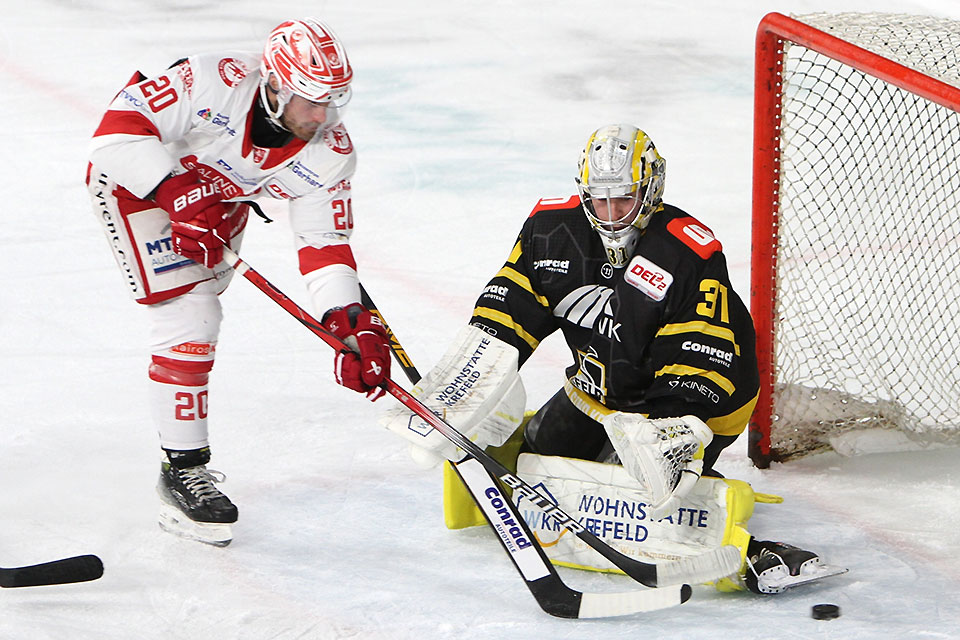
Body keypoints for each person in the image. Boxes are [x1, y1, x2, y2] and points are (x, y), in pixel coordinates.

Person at [383, 124, 844, 593]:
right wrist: (459, 394)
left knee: (627, 494)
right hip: (596, 390)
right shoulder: (551, 232)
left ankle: (754, 546)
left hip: (701, 398)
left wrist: (665, 434)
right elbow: (506, 311)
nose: (611, 214)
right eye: (599, 200)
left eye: (623, 200)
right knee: (537, 460)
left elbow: (702, 355)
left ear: (651, 189)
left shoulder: (685, 252)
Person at [86, 18, 391, 546]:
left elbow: (324, 243)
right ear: (274, 86)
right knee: (191, 318)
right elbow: (115, 132)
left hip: (214, 204)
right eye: (310, 101)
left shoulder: (331, 153)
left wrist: (347, 321)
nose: (322, 117)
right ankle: (181, 472)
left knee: (202, 301)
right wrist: (174, 192)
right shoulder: (214, 80)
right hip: (137, 187)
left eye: (333, 103)